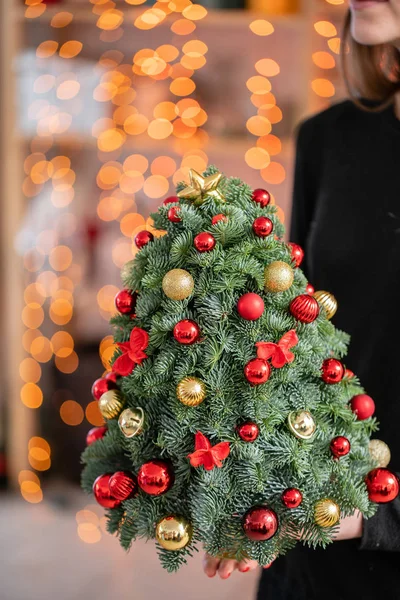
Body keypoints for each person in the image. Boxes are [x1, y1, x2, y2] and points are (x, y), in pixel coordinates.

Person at [203, 2, 400, 597]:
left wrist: (375, 518)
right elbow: (295, 344)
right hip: (309, 551)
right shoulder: (327, 139)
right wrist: (248, 479)